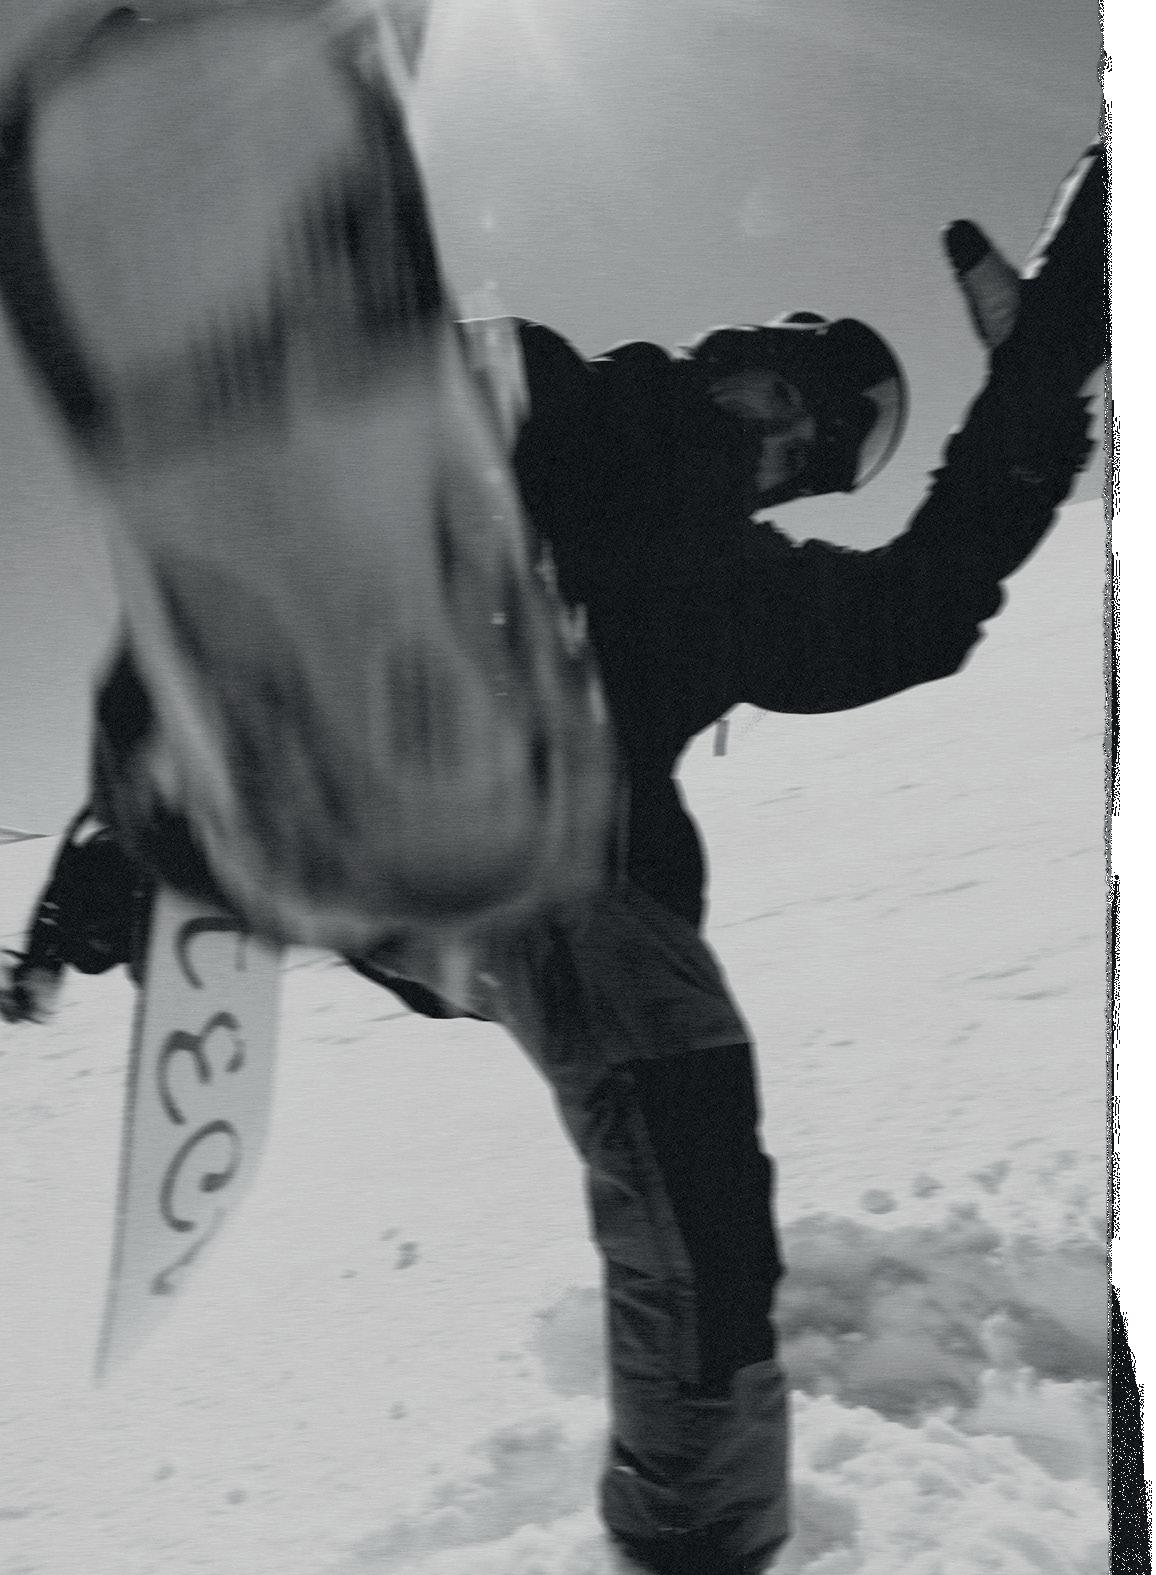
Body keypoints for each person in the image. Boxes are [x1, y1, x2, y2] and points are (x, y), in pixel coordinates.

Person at [0, 7, 1104, 1571]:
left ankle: (695, 1529)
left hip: (542, 891)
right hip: (352, 743)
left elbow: (920, 610)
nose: (787, 435)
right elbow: (225, 578)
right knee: (377, 483)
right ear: (733, 365)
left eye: (817, 448)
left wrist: (1048, 370)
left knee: (670, 1038)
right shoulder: (553, 398)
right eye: (781, 393)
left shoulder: (736, 584)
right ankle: (259, 780)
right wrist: (113, 853)